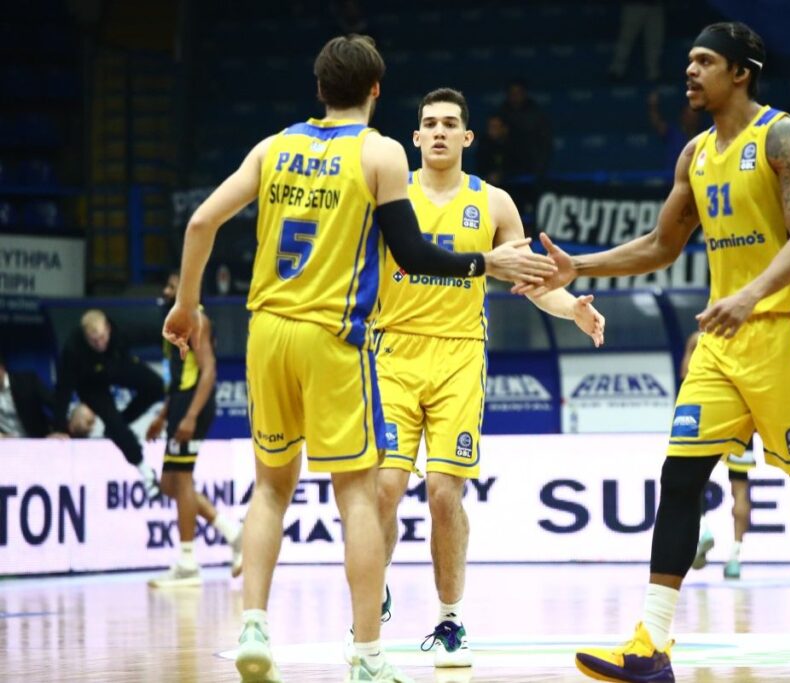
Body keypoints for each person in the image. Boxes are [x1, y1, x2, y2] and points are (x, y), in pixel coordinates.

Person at [161, 34, 555, 683]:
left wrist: (188, 306)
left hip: (267, 330)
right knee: (360, 497)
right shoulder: (380, 153)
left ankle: (254, 624)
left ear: (319, 88)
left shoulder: (273, 146)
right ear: (377, 91)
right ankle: (369, 654)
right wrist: (485, 262)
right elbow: (413, 253)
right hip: (336, 334)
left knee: (271, 488)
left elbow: (201, 222)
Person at [517, 22, 790, 682]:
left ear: (740, 72)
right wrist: (581, 265)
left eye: (704, 61)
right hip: (723, 339)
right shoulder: (694, 153)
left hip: (788, 331)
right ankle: (650, 644)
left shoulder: (785, 138)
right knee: (681, 477)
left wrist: (750, 294)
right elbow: (662, 245)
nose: (689, 71)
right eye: (689, 60)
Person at [356, 88, 605, 669]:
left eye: (450, 124)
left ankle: (449, 620)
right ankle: (373, 594)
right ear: (415, 137)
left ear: (468, 137)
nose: (439, 132)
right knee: (384, 489)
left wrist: (571, 309)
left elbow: (532, 281)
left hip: (460, 356)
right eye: (429, 124)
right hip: (392, 353)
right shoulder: (390, 195)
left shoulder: (493, 202)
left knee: (444, 495)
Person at [147, 271, 244, 589]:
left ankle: (187, 563)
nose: (165, 290)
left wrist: (189, 416)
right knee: (169, 483)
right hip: (179, 404)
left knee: (182, 479)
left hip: (192, 406)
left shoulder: (197, 319)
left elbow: (208, 371)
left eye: (172, 286)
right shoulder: (176, 322)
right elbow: (178, 376)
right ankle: (233, 533)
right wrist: (164, 415)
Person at [53, 309, 165, 498]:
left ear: (108, 329)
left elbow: (152, 334)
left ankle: (119, 424)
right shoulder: (72, 350)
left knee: (156, 386)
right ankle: (146, 474)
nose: (100, 344)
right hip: (90, 383)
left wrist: (178, 344)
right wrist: (59, 427)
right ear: (85, 337)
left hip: (115, 364)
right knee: (114, 423)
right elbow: (63, 389)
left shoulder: (120, 331)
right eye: (94, 341)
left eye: (102, 338)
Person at [678, 332, 753, 580]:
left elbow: (686, 375)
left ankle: (703, 530)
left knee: (695, 480)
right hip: (741, 417)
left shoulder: (698, 338)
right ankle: (735, 557)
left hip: (709, 414)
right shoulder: (745, 338)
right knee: (740, 489)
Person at [0, 354, 65, 439]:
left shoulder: (28, 381)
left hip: (35, 439)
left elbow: (56, 405)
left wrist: (59, 430)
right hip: (5, 443)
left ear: (2, 368)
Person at [497, 80, 553, 178]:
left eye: (518, 92)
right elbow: (493, 143)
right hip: (506, 168)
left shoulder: (536, 115)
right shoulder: (500, 115)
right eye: (512, 92)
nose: (515, 96)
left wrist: (539, 169)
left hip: (532, 166)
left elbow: (544, 144)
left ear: (525, 93)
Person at [648, 90, 704, 178]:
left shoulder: (703, 137)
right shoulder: (673, 133)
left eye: (694, 116)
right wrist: (653, 105)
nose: (691, 119)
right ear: (683, 116)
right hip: (671, 178)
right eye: (689, 116)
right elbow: (657, 123)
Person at [608, 0, 666, 82]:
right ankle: (616, 70)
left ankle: (653, 72)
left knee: (654, 41)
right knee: (626, 40)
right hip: (634, 6)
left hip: (655, 7)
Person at [474, 114, 512, 185]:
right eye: (490, 127)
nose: (491, 130)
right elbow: (481, 166)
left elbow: (519, 166)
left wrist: (502, 174)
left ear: (505, 129)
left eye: (495, 127)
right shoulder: (484, 144)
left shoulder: (515, 144)